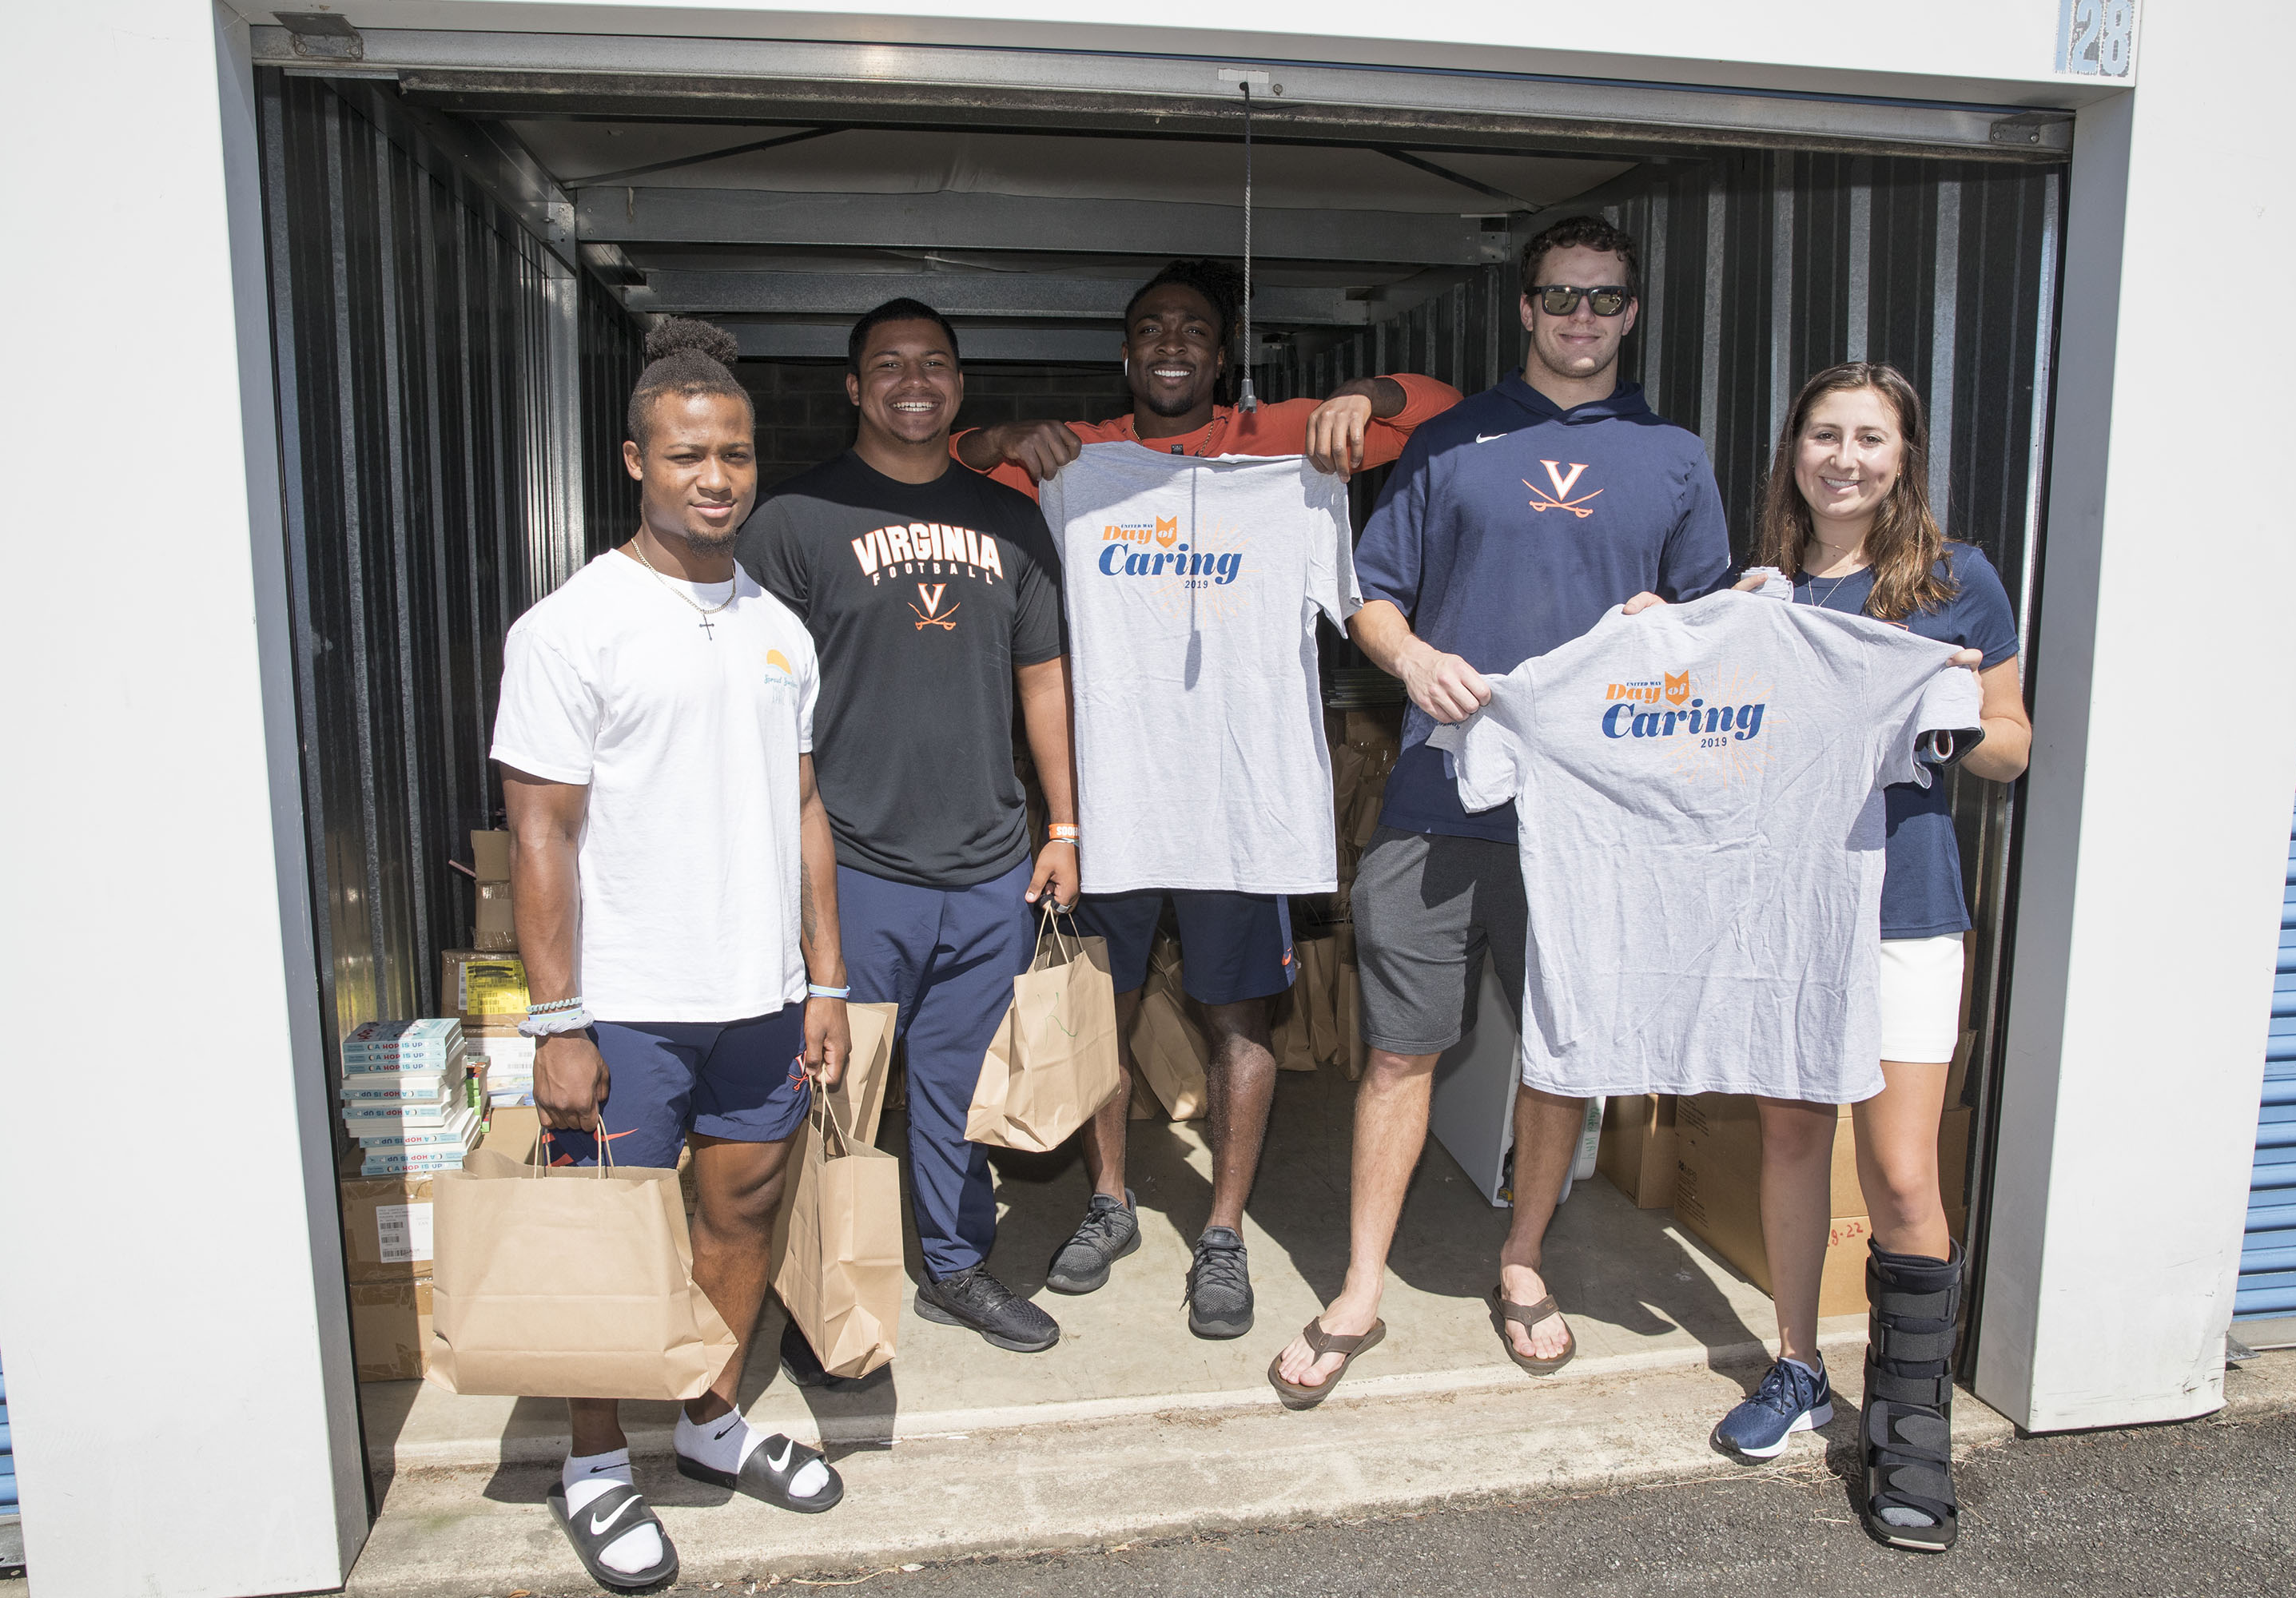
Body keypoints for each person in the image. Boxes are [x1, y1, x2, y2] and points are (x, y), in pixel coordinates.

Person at [1271, 217, 1731, 1405]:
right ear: (1525, 309)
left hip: (1596, 816)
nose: (1583, 316)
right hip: (1440, 795)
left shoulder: (1674, 455)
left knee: (1561, 1048)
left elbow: (1717, 631)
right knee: (1399, 1051)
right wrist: (1414, 658)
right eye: (1561, 296)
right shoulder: (1451, 442)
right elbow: (1366, 594)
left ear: (1632, 312)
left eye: (1606, 297)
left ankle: (1522, 1265)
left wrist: (1667, 642)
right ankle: (1360, 1287)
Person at [953, 259, 1461, 1337]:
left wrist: (1361, 401)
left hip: (1243, 807)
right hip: (1114, 801)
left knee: (1243, 1017)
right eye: (1150, 329)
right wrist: (1003, 441)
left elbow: (1444, 408)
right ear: (1126, 352)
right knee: (1101, 1009)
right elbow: (943, 459)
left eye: (1193, 328)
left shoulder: (1293, 461)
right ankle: (1108, 1199)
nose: (1171, 344)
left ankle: (1223, 1231)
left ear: (1222, 353)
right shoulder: (1078, 465)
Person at [491, 319, 850, 1592]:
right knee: (612, 1246)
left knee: (740, 1211)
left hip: (758, 996)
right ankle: (597, 1466)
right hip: (625, 1007)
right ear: (635, 460)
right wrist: (560, 1022)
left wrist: (825, 978)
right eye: (689, 455)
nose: (718, 478)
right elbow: (541, 830)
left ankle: (706, 1421)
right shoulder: (571, 626)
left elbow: (803, 807)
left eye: (737, 456)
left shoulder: (778, 626)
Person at [1653, 362, 2028, 1552]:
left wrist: (1961, 717)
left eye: (1872, 438)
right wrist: (1669, 641)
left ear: (1905, 455)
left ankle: (1910, 1429)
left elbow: (2015, 748)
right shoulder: (1754, 595)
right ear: (1795, 453)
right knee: (1790, 1134)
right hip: (1789, 914)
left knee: (1907, 1175)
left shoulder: (1958, 583)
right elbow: (1699, 747)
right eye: (1826, 436)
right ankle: (1799, 1364)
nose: (1848, 458)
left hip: (1908, 911)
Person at [738, 298, 1080, 1363]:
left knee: (957, 1085)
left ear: (959, 386)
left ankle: (954, 1265)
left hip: (987, 864)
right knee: (836, 1087)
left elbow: (1043, 678)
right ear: (853, 387)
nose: (913, 381)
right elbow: (754, 701)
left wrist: (1062, 824)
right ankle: (822, 1290)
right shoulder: (792, 521)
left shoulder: (1011, 520)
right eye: (888, 365)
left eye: (933, 363)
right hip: (854, 862)